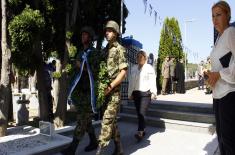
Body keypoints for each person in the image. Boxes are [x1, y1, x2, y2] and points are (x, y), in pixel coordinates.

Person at [62, 26, 99, 155]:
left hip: (89, 93)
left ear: (90, 37)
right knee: (87, 121)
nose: (83, 37)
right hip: (81, 92)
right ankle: (94, 142)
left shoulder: (93, 53)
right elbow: (76, 69)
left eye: (85, 35)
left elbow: (95, 72)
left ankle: (72, 148)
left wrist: (81, 67)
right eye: (82, 34)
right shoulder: (80, 52)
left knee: (82, 121)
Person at [204, 1, 235, 154]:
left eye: (218, 15)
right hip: (218, 95)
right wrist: (211, 76)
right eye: (212, 16)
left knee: (229, 140)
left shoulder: (231, 33)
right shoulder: (219, 39)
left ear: (228, 15)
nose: (214, 19)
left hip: (229, 94)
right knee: (222, 138)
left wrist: (219, 75)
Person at [96, 20, 128, 155]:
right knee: (112, 122)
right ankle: (119, 148)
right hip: (104, 92)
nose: (106, 33)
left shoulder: (120, 49)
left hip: (114, 92)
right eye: (106, 31)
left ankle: (99, 151)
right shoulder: (104, 51)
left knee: (106, 121)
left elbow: (123, 72)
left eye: (109, 31)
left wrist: (111, 86)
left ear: (115, 33)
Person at [128, 49, 157, 142]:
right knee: (139, 113)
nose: (139, 58)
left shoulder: (149, 68)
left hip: (146, 94)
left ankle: (140, 132)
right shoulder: (133, 68)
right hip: (136, 93)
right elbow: (131, 82)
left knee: (142, 112)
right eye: (138, 57)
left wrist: (153, 92)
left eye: (141, 56)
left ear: (145, 58)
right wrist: (130, 93)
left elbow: (152, 81)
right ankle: (143, 129)